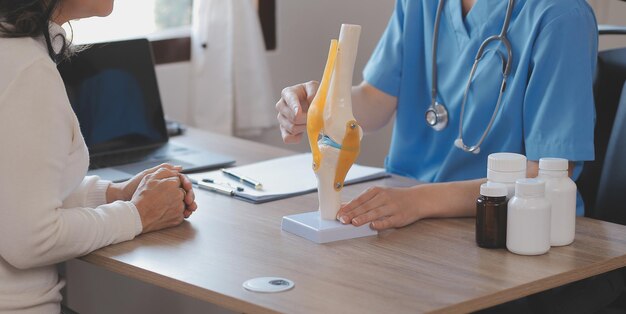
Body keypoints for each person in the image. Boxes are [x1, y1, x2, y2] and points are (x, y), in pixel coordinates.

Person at [276, 0, 597, 230]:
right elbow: (375, 103)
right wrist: (324, 101)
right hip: (408, 216)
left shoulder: (561, 15)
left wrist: (419, 202)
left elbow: (548, 174)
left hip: (512, 230)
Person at [0, 1, 197, 313]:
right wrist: (139, 214)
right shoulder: (27, 70)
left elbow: (13, 191)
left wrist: (110, 194)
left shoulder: (11, 50)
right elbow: (30, 240)